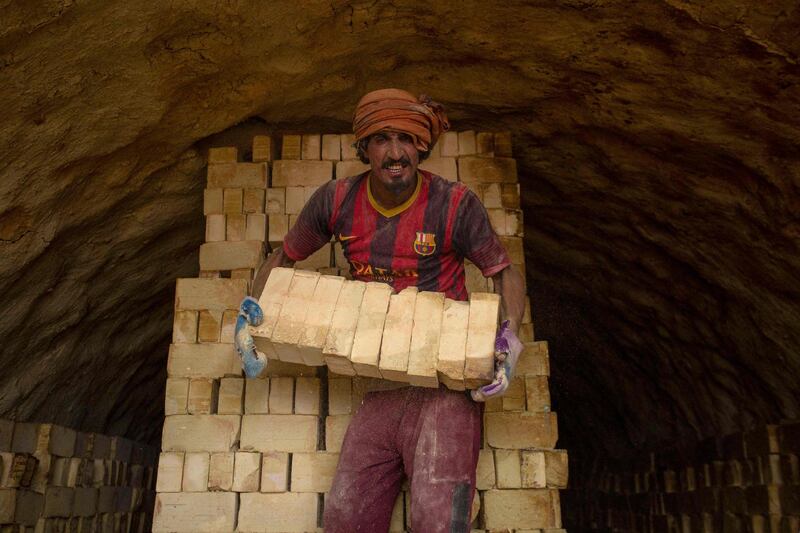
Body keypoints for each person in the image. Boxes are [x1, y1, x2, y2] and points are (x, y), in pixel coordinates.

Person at [235, 88, 525, 533]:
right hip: (379, 382)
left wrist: (509, 339)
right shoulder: (336, 201)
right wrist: (250, 314)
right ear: (364, 148)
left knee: (437, 521)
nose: (395, 153)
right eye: (382, 139)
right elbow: (284, 258)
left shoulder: (453, 204)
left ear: (420, 147)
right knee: (346, 518)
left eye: (406, 140)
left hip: (445, 390)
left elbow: (503, 273)